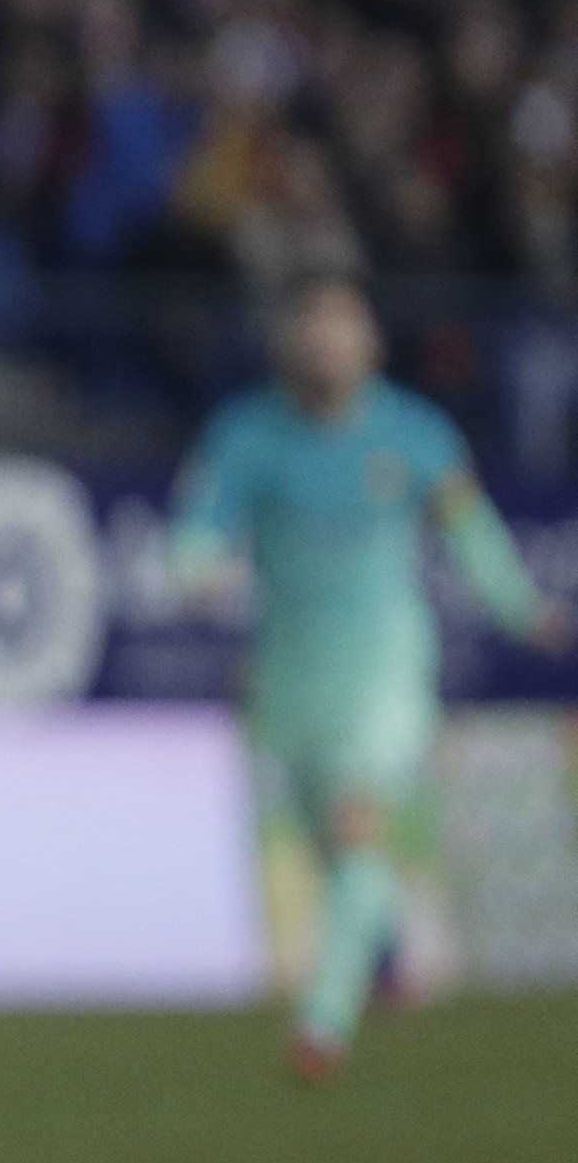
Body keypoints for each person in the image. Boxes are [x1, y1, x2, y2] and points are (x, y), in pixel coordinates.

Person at [168, 272, 573, 1079]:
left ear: (371, 344)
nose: (324, 342)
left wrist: (524, 609)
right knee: (335, 847)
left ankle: (323, 1021)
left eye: (340, 326)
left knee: (358, 829)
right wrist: (197, 566)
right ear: (288, 343)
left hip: (385, 675)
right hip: (293, 680)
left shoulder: (413, 434)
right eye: (310, 327)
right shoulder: (248, 435)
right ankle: (386, 956)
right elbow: (200, 526)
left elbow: (473, 532)